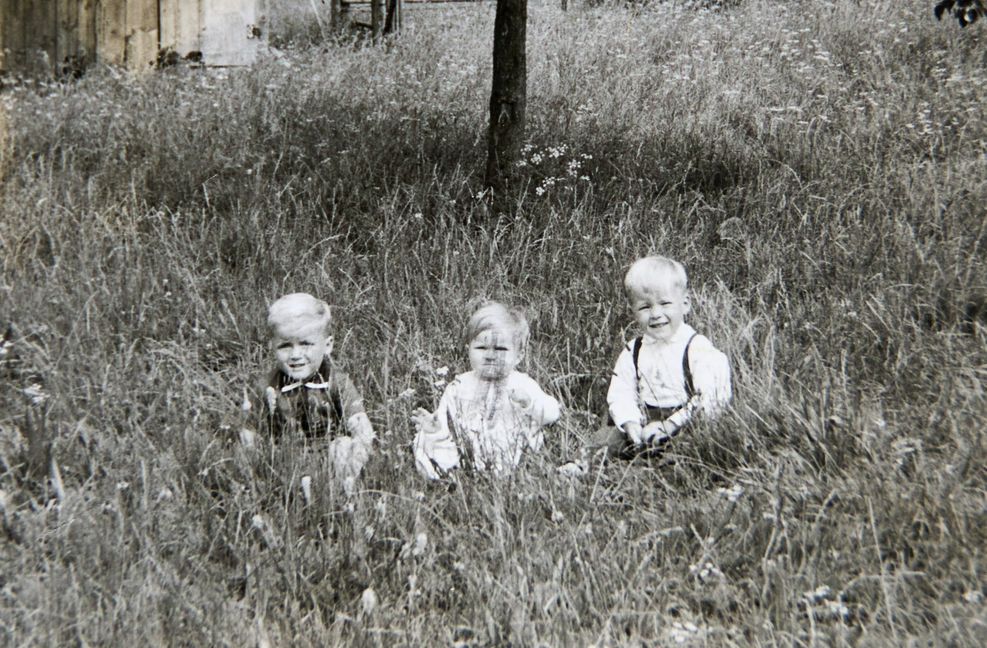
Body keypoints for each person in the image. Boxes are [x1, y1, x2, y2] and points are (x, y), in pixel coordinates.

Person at [598, 255, 731, 459]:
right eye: (645, 307)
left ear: (685, 304)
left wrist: (670, 425)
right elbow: (621, 392)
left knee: (689, 448)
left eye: (665, 303)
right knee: (607, 437)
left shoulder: (696, 348)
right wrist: (631, 423)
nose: (656, 314)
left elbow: (711, 397)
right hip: (644, 425)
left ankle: (660, 471)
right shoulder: (633, 350)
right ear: (633, 311)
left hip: (684, 424)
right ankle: (583, 465)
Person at [243, 292, 375, 496]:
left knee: (343, 446)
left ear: (327, 345)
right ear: (272, 347)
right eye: (285, 346)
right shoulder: (268, 387)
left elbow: (361, 425)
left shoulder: (335, 381)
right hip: (287, 462)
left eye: (306, 344)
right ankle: (287, 498)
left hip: (331, 463)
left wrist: (358, 452)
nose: (296, 355)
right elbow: (249, 434)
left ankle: (342, 497)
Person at [411, 302, 561, 480]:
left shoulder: (522, 384)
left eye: (500, 349)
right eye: (481, 348)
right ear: (468, 351)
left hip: (509, 451)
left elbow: (553, 413)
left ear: (518, 356)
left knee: (521, 452)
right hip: (466, 450)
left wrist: (530, 403)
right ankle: (448, 474)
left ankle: (503, 474)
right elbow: (447, 420)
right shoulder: (459, 386)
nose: (490, 355)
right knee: (423, 440)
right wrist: (436, 429)